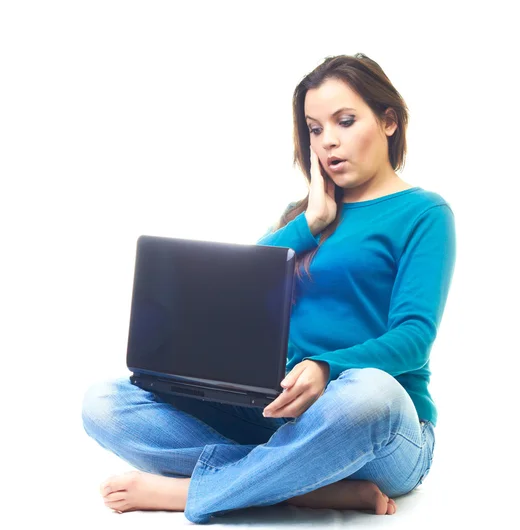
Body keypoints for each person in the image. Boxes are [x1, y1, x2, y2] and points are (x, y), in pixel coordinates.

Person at [81, 53, 457, 524]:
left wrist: (325, 368)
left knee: (367, 392)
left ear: (388, 121)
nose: (328, 142)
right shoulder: (305, 217)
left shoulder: (424, 214)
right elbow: (241, 294)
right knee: (105, 403)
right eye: (315, 128)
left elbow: (415, 336)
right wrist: (311, 223)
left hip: (380, 429)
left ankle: (195, 492)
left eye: (345, 121)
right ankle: (309, 485)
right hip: (281, 415)